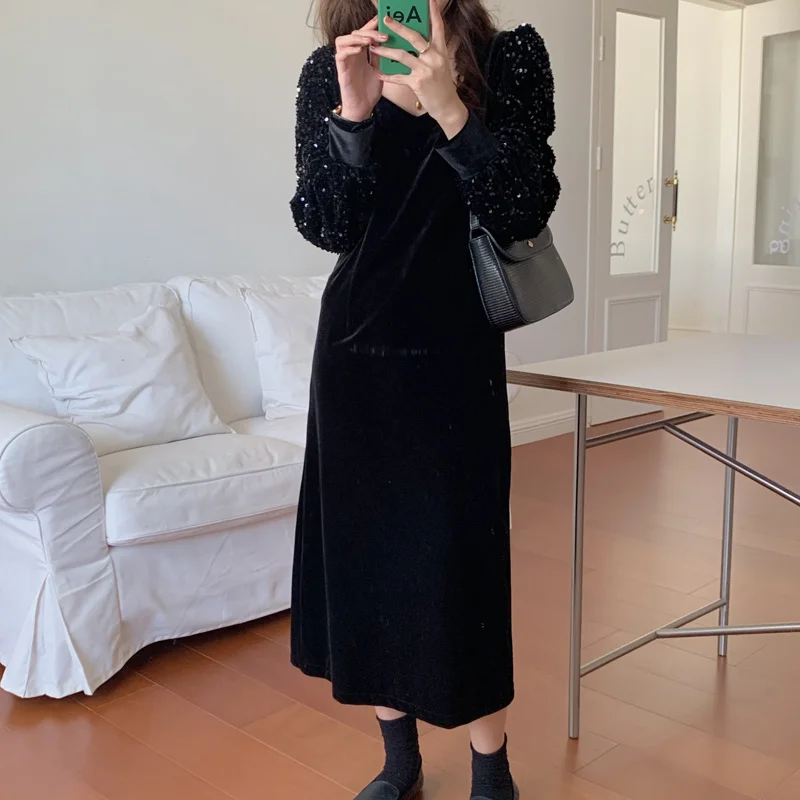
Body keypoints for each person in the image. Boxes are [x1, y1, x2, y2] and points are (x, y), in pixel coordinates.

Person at [289, 0, 559, 797]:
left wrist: (450, 107)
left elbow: (526, 205)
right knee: (369, 566)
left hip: (455, 358)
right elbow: (327, 225)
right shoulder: (331, 68)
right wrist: (353, 116)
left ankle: (490, 766)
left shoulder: (510, 57)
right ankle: (399, 761)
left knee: (463, 564)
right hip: (356, 360)